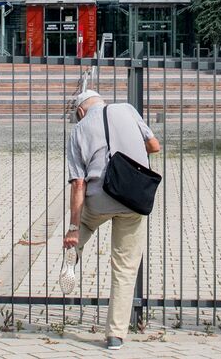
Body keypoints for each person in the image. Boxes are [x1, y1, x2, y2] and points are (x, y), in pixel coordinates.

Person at [63, 89, 162, 351]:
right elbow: (155, 146)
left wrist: (72, 226)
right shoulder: (127, 109)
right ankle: (116, 335)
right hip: (132, 200)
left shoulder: (79, 129)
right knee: (125, 268)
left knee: (84, 224)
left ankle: (74, 250)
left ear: (80, 111)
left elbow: (78, 183)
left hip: (99, 199)